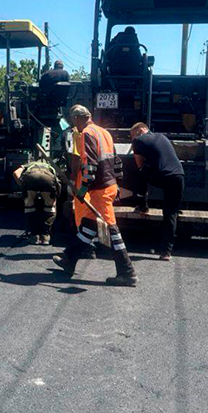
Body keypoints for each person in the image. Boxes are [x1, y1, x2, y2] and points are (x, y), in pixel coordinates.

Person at [53, 105, 137, 286]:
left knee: (111, 230)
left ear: (77, 118)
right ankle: (69, 259)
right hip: (109, 185)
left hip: (99, 190)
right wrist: (117, 185)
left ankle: (127, 271)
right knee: (89, 226)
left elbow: (90, 166)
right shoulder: (104, 133)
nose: (74, 125)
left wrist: (82, 191)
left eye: (73, 121)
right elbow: (116, 161)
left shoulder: (86, 134)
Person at [130, 122, 185, 260]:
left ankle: (142, 205)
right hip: (179, 176)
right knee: (170, 214)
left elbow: (139, 164)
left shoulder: (138, 140)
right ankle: (166, 252)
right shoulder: (162, 136)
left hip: (162, 177)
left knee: (140, 171)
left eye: (133, 135)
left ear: (141, 130)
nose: (132, 139)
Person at [14, 160, 60, 245]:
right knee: (50, 207)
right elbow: (59, 179)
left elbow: (15, 173)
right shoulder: (50, 166)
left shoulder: (29, 165)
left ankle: (34, 236)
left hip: (30, 178)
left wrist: (23, 186)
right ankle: (46, 235)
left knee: (29, 206)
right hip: (47, 179)